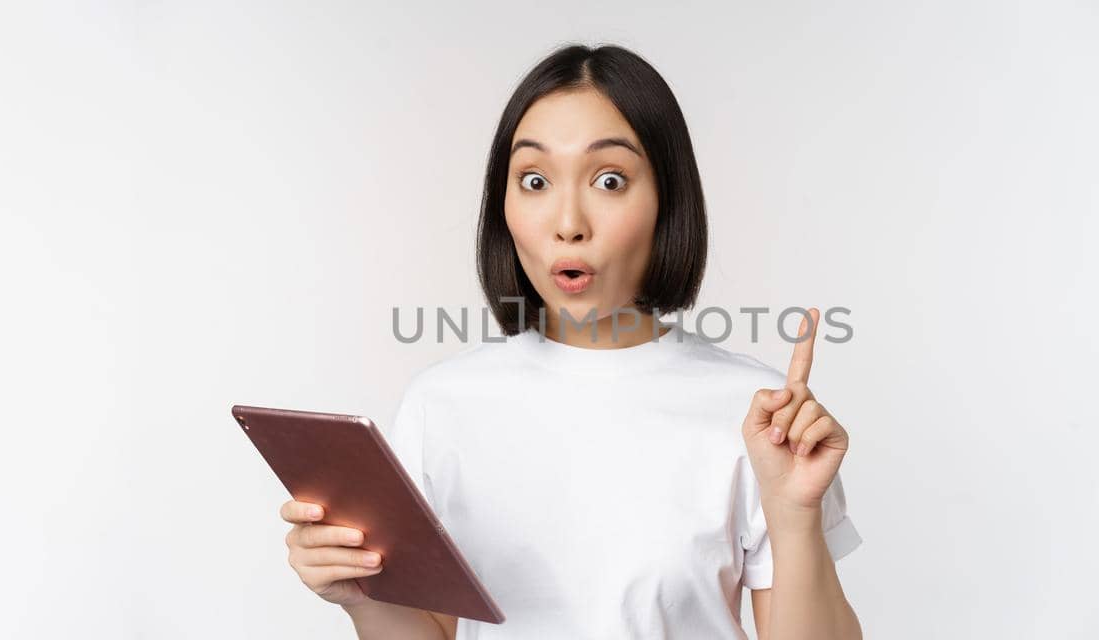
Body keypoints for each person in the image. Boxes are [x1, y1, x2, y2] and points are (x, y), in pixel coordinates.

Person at [277, 44, 864, 639]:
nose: (568, 222)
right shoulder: (442, 405)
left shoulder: (759, 415)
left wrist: (794, 518)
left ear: (667, 200)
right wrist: (364, 598)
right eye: (534, 180)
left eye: (609, 180)